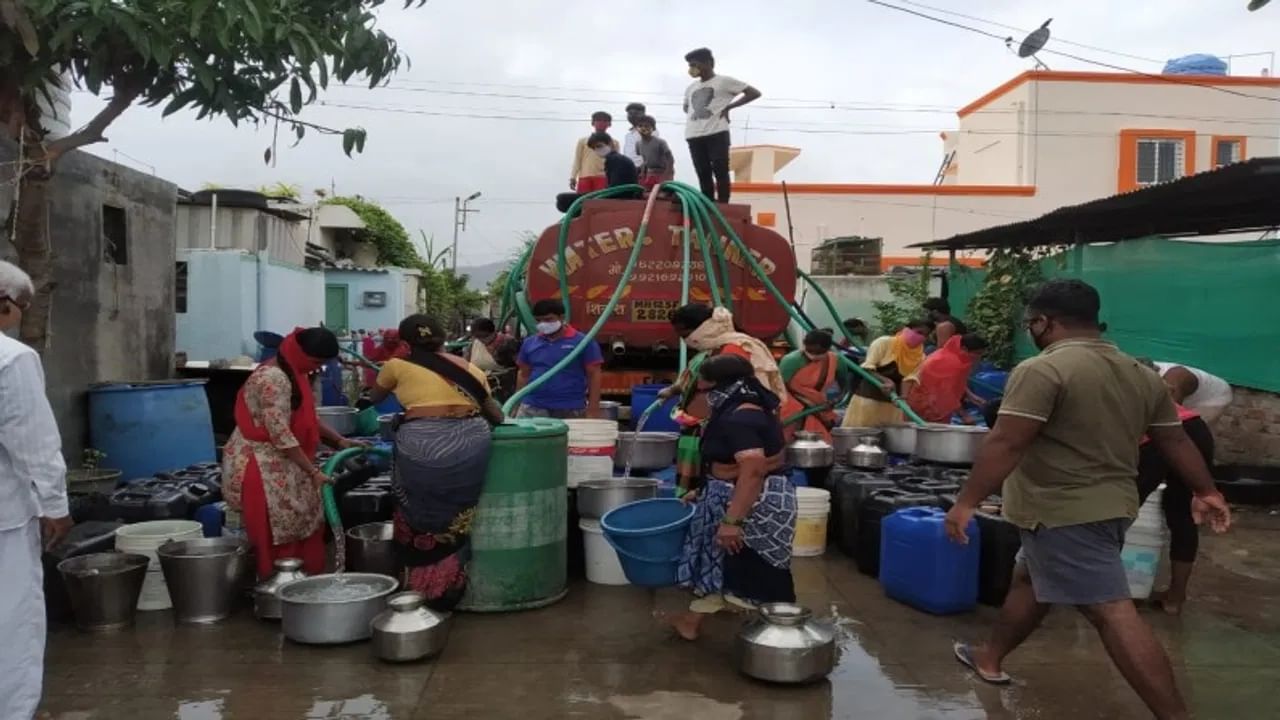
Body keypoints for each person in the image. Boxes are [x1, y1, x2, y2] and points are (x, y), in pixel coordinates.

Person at [944, 280, 1230, 720]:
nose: (1030, 331)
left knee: (1111, 611)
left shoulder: (1043, 370)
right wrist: (1206, 490)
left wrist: (966, 502)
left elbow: (1007, 441)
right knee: (1031, 580)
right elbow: (1175, 439)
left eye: (1030, 323)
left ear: (1044, 322)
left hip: (1063, 512)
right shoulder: (1140, 374)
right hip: (1108, 506)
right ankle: (990, 657)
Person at [368, 315, 504, 610]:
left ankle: (419, 585)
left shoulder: (396, 365)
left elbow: (375, 397)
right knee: (458, 510)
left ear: (405, 344)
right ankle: (451, 586)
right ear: (444, 340)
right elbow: (496, 415)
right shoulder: (469, 368)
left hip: (422, 441)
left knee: (416, 505)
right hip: (471, 441)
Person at [658, 354, 796, 641]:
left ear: (715, 385)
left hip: (753, 504)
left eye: (701, 388)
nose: (701, 396)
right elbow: (741, 461)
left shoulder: (741, 417)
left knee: (756, 572)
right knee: (720, 564)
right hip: (734, 494)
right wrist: (706, 490)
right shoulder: (745, 405)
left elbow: (753, 471)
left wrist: (733, 521)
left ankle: (781, 639)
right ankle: (691, 621)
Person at [223, 327, 360, 579]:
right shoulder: (273, 378)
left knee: (301, 522)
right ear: (302, 354)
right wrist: (313, 472)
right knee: (275, 531)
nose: (317, 368)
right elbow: (280, 433)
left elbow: (306, 418)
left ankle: (303, 579)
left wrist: (339, 441)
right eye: (316, 362)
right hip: (262, 466)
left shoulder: (295, 373)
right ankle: (275, 584)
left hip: (288, 461)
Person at [0, 261, 71, 719]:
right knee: (12, 629)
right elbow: (35, 444)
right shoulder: (12, 359)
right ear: (5, 303)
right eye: (22, 306)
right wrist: (55, 506)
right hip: (5, 520)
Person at [661, 304, 786, 492]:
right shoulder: (711, 349)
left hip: (719, 437)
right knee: (697, 490)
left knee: (720, 485)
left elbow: (752, 470)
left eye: (685, 334)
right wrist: (674, 390)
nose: (684, 340)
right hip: (699, 432)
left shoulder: (735, 350)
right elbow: (691, 381)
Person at [683, 47, 761, 203]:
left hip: (717, 132)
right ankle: (707, 202)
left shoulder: (724, 81)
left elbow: (754, 93)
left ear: (709, 63)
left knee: (720, 169)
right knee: (702, 171)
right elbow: (686, 108)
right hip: (694, 135)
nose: (692, 69)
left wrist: (729, 107)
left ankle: (723, 203)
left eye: (695, 64)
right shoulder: (691, 88)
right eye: (690, 65)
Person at [514, 299, 603, 419]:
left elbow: (594, 375)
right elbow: (523, 374)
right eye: (538, 320)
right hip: (533, 407)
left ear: (561, 317)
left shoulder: (583, 342)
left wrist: (593, 409)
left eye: (548, 319)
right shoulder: (530, 343)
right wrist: (515, 405)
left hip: (570, 407)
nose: (543, 324)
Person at [840, 319, 933, 428]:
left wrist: (903, 399)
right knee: (862, 434)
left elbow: (908, 379)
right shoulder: (884, 343)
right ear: (907, 329)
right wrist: (885, 380)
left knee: (890, 436)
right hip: (868, 400)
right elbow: (867, 368)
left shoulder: (920, 356)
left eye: (925, 335)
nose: (921, 337)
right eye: (919, 332)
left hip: (892, 406)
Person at [777, 329, 852, 443]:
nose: (814, 355)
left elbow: (845, 385)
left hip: (819, 406)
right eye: (810, 351)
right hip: (791, 406)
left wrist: (836, 400)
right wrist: (805, 403)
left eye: (819, 352)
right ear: (804, 345)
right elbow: (778, 386)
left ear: (828, 348)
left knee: (820, 441)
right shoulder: (791, 360)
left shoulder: (836, 360)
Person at [903, 333, 989, 424]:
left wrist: (972, 397)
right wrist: (964, 416)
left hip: (931, 400)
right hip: (926, 406)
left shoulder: (951, 353)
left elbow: (954, 382)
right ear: (964, 349)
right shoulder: (949, 362)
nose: (979, 357)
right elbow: (947, 394)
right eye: (977, 353)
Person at [1151, 360, 1233, 424]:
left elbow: (1170, 417)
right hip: (1185, 394)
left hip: (1214, 398)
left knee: (1189, 431)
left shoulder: (1174, 379)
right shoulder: (1145, 374)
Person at [465, 318, 519, 402]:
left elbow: (521, 365)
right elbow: (466, 364)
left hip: (505, 386)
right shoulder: (474, 344)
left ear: (493, 332)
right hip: (481, 385)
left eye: (484, 336)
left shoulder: (508, 343)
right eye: (477, 337)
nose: (481, 340)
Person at [569, 111, 617, 194]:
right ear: (593, 123)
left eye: (605, 121)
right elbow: (577, 160)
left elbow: (615, 162)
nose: (601, 123)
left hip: (603, 177)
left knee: (600, 200)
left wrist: (614, 179)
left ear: (609, 124)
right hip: (585, 177)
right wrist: (573, 177)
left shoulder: (614, 142)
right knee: (584, 200)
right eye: (598, 120)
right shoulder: (583, 141)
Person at [636, 115, 675, 192]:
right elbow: (644, 161)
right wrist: (642, 175)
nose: (643, 128)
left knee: (662, 194)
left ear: (653, 128)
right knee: (646, 193)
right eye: (640, 126)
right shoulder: (638, 144)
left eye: (646, 126)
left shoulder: (660, 142)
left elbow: (670, 159)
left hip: (663, 171)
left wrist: (666, 175)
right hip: (650, 173)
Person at [621, 102, 648, 169]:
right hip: (629, 169)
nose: (632, 116)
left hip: (643, 169)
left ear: (644, 114)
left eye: (636, 113)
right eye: (630, 113)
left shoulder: (648, 130)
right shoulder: (629, 135)